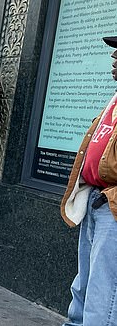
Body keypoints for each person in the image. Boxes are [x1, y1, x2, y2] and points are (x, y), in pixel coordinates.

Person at [60, 36, 117, 326]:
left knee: (104, 288)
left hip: (113, 204)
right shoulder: (115, 98)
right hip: (97, 198)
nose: (114, 58)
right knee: (85, 280)